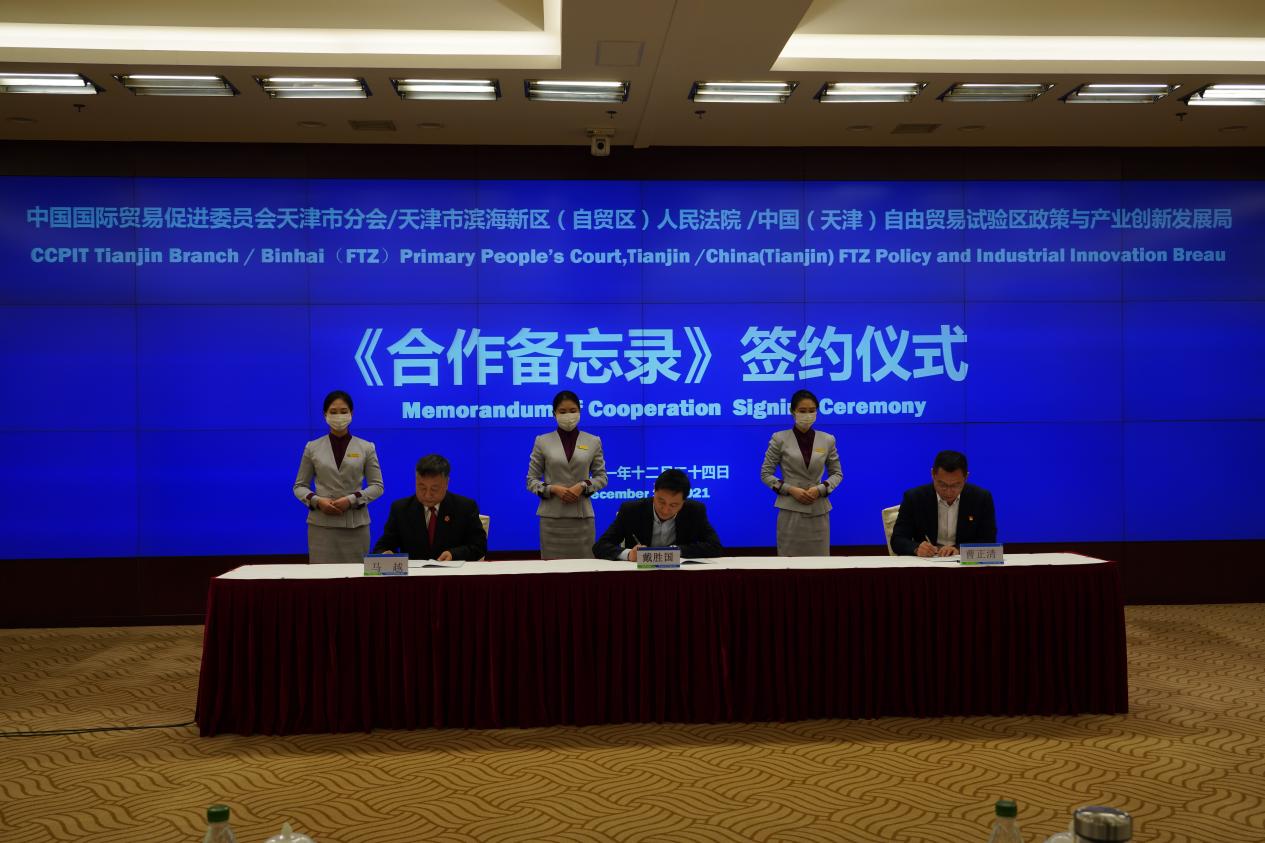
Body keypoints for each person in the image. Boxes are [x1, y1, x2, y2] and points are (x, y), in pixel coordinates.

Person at [292, 389, 384, 563]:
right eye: (333, 412)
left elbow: (377, 486)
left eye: (343, 411)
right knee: (323, 577)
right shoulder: (312, 447)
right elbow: (299, 486)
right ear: (325, 414)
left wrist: (352, 499)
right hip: (322, 526)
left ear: (352, 413)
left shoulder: (366, 447)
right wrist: (317, 501)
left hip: (355, 526)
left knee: (356, 576)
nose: (339, 416)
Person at [760, 389, 843, 556]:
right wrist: (790, 489)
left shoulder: (827, 439)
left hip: (818, 510)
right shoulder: (779, 438)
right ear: (793, 411)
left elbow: (837, 474)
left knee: (819, 565)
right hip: (791, 511)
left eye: (812, 410)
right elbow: (766, 474)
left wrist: (821, 489)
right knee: (790, 564)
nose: (807, 415)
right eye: (802, 411)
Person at [527, 389, 608, 559]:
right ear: (554, 414)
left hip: (582, 518)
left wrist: (583, 485)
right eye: (562, 411)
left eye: (572, 410)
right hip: (552, 519)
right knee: (553, 570)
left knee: (584, 569)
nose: (568, 415)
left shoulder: (593, 441)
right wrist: (553, 489)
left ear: (579, 411)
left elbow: (601, 477)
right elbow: (531, 480)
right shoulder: (542, 441)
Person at [373, 454, 487, 561]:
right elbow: (383, 545)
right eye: (422, 487)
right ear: (416, 481)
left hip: (453, 573)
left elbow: (479, 547)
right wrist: (385, 553)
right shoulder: (401, 509)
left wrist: (454, 554)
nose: (427, 495)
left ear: (447, 483)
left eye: (434, 489)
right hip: (415, 574)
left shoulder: (465, 507)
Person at [594, 468, 723, 561]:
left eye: (673, 505)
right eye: (661, 501)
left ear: (683, 502)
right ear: (654, 491)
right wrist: (629, 555)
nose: (665, 510)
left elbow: (715, 547)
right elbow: (600, 546)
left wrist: (676, 551)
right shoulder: (631, 510)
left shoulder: (694, 511)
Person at [890, 450, 997, 557]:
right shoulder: (914, 498)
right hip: (927, 561)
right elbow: (897, 540)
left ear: (966, 477)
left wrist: (958, 549)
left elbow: (989, 540)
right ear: (933, 474)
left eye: (955, 485)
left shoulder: (981, 498)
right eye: (942, 484)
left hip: (962, 562)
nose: (948, 491)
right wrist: (916, 548)